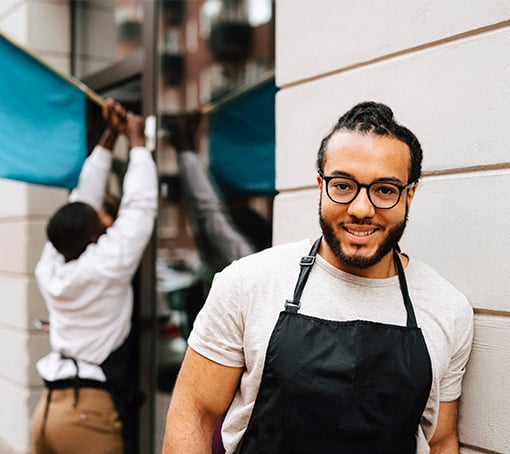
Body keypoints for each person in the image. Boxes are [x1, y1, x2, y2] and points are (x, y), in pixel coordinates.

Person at [162, 101, 474, 454]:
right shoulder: (248, 284)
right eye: (343, 186)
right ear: (320, 186)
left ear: (409, 195)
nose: (361, 209)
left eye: (385, 190)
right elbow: (195, 413)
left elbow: (441, 440)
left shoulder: (448, 309)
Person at [31, 99, 158, 454]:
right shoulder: (102, 267)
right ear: (92, 238)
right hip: (88, 414)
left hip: (48, 412)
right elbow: (140, 207)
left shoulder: (50, 264)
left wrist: (109, 136)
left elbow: (80, 198)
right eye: (99, 226)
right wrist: (137, 144)